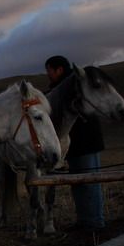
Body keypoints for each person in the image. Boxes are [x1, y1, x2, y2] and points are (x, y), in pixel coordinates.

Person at [45, 55, 106, 231]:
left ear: (59, 70)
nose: (48, 74)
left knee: (88, 182)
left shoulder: (70, 87)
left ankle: (94, 223)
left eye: (49, 70)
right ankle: (86, 221)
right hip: (78, 143)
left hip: (84, 141)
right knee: (80, 183)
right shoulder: (69, 85)